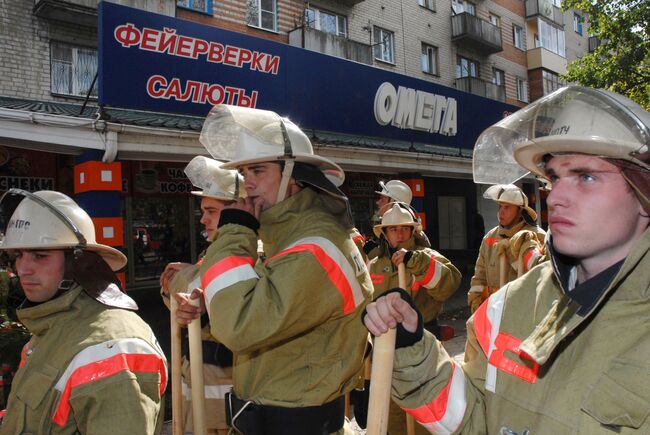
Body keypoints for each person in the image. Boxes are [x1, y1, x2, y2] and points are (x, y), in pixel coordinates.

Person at [363, 86, 650, 433]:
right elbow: (470, 413)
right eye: (554, 178)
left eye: (586, 177)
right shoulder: (504, 309)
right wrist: (411, 348)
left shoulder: (528, 241)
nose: (556, 196)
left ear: (643, 191)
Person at [174, 105, 373, 434]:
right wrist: (209, 304)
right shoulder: (286, 238)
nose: (247, 184)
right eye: (245, 174)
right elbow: (261, 303)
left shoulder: (313, 247)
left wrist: (235, 231)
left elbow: (240, 325)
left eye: (259, 171)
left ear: (294, 177)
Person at [0, 189, 167, 434]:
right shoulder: (53, 326)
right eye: (18, 255)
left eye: (40, 255)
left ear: (79, 263)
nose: (23, 268)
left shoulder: (113, 344)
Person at [159, 155, 244, 435]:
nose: (203, 218)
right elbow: (179, 295)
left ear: (236, 210)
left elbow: (190, 290)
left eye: (211, 210)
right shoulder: (213, 253)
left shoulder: (244, 252)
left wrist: (183, 275)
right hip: (198, 384)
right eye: (203, 211)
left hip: (222, 395)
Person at [369, 203, 461, 435]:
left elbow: (449, 284)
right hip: (385, 352)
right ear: (384, 233)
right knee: (391, 417)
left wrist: (415, 262)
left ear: (413, 232)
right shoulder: (376, 264)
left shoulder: (426, 257)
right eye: (393, 229)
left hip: (421, 350)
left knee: (422, 415)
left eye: (404, 229)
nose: (399, 234)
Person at [467, 183, 546, 312]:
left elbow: (541, 277)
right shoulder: (490, 237)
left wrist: (511, 252)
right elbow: (479, 276)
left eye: (507, 207)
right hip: (494, 311)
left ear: (520, 211)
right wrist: (475, 302)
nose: (501, 212)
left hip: (524, 313)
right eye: (500, 207)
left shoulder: (537, 236)